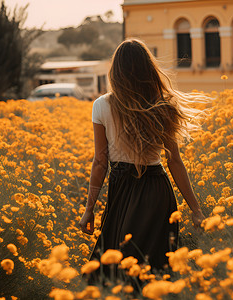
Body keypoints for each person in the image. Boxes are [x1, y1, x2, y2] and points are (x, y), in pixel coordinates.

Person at [79, 39, 207, 283]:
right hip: (157, 192)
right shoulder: (164, 105)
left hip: (123, 189)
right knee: (153, 271)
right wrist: (196, 210)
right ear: (148, 69)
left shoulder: (101, 105)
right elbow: (175, 162)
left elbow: (100, 163)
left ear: (115, 71)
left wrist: (89, 209)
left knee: (116, 271)